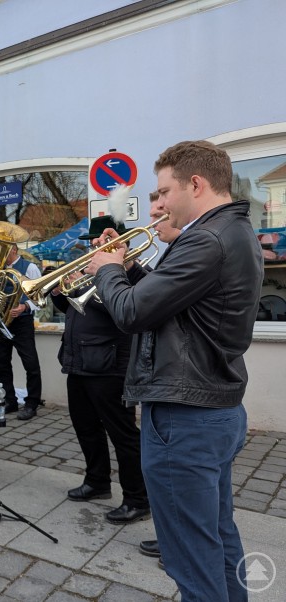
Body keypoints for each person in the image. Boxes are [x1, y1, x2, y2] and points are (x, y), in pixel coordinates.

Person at [85, 140, 263, 601]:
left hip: (184, 417)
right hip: (212, 407)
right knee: (216, 538)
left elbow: (129, 313)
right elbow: (176, 306)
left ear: (196, 184)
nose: (158, 204)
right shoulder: (233, 231)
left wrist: (107, 269)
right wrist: (126, 267)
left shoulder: (205, 238)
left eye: (164, 191)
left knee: (189, 560)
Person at [51, 216, 149, 525]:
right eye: (93, 243)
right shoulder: (89, 269)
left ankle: (137, 498)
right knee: (85, 427)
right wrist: (59, 292)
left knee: (122, 434)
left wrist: (106, 275)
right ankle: (97, 481)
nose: (95, 247)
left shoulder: (128, 273)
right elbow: (73, 308)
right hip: (77, 360)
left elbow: (127, 308)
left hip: (110, 365)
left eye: (102, 242)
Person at [138, 190, 183, 562]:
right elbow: (151, 288)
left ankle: (176, 544)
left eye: (162, 201)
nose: (153, 215)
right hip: (167, 385)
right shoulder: (176, 251)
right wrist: (124, 268)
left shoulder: (196, 247)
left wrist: (108, 270)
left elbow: (136, 308)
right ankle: (171, 538)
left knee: (179, 492)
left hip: (178, 392)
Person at [0, 243, 44, 420]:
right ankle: (9, 400)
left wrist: (24, 306)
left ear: (14, 250)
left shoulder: (29, 267)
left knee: (31, 363)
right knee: (2, 363)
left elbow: (40, 295)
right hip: (2, 322)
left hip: (22, 322)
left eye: (3, 250)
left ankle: (32, 403)